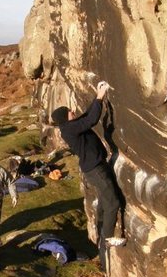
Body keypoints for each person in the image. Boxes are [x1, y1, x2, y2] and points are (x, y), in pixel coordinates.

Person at [51, 81, 125, 254]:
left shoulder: (69, 126)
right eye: (69, 111)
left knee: (105, 201)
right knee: (113, 203)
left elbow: (85, 116)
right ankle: (107, 239)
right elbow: (91, 119)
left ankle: (101, 232)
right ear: (64, 117)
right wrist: (100, 97)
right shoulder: (69, 129)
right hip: (95, 170)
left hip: (95, 167)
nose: (72, 111)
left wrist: (97, 96)